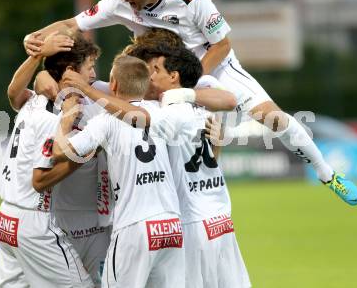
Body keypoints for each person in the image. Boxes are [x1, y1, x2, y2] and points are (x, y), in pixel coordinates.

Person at [23, 0, 357, 206]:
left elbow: (223, 45)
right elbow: (71, 24)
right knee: (127, 116)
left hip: (213, 68)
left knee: (275, 120)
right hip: (161, 77)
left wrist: (189, 83)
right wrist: (36, 38)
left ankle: (327, 174)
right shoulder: (118, 1)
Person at [63, 44, 250, 288]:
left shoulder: (167, 111)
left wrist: (84, 89)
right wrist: (217, 143)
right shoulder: (196, 109)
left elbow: (138, 116)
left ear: (173, 77)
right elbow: (214, 136)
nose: (149, 76)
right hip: (217, 219)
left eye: (155, 70)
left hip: (190, 223)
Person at [53, 54, 185, 288]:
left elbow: (62, 152)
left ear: (113, 84)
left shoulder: (106, 121)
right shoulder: (159, 111)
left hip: (134, 227)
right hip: (171, 224)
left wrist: (66, 120)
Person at [6, 32, 112, 288]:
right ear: (69, 71)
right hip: (42, 218)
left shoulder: (36, 101)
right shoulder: (48, 115)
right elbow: (40, 181)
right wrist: (84, 155)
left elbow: (13, 93)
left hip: (12, 217)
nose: (94, 74)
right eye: (89, 67)